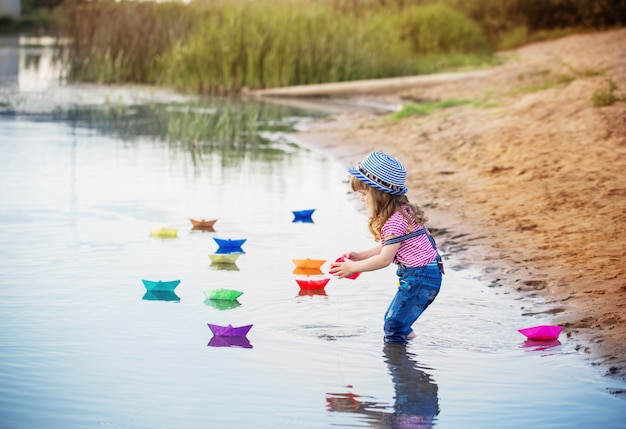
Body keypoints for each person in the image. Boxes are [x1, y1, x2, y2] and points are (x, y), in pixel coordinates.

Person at [329, 151, 443, 344]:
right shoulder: (402, 212)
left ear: (380, 194)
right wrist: (360, 255)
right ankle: (407, 358)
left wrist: (352, 268)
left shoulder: (394, 221)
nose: (361, 199)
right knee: (397, 323)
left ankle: (401, 367)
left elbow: (384, 259)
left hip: (420, 278)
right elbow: (388, 245)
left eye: (364, 194)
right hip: (425, 274)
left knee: (392, 326)